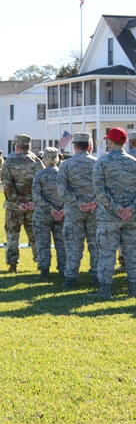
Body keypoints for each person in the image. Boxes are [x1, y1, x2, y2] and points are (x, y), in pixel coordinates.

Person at [91, 127, 136, 300]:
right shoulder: (133, 162)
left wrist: (116, 208)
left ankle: (105, 290)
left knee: (107, 253)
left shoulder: (102, 162)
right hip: (131, 217)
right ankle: (132, 289)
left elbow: (99, 191)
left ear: (110, 142)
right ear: (124, 142)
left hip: (108, 217)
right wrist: (129, 208)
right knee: (132, 253)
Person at [57, 132, 100, 288]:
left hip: (74, 211)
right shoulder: (98, 163)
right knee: (96, 245)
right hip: (95, 211)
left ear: (74, 146)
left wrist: (78, 203)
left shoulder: (66, 165)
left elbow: (61, 190)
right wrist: (93, 202)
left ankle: (71, 278)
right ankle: (96, 276)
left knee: (73, 244)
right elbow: (104, 188)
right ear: (90, 146)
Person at [1, 134, 43, 273]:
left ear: (16, 145)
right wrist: (33, 202)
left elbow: (7, 185)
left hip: (14, 206)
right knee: (36, 236)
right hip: (33, 206)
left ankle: (13, 265)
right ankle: (40, 263)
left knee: (12, 236)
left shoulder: (9, 161)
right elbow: (43, 184)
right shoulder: (37, 161)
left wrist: (17, 202)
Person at [31, 147, 66, 281]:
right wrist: (61, 209)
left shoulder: (39, 175)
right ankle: (63, 270)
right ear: (57, 159)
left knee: (43, 243)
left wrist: (50, 208)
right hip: (61, 215)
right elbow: (67, 194)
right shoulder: (63, 174)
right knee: (62, 244)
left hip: (43, 215)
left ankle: (44, 272)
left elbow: (36, 196)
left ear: (44, 159)